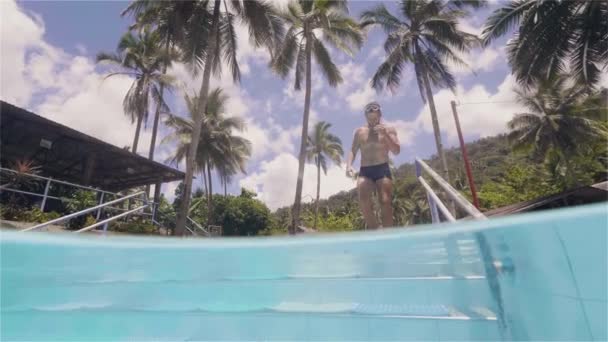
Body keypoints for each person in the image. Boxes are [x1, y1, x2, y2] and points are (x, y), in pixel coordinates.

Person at [346, 101, 400, 229]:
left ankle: (389, 233)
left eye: (375, 117)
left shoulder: (390, 129)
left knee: (385, 201)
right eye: (370, 117)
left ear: (380, 114)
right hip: (365, 170)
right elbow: (353, 150)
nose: (373, 120)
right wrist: (348, 165)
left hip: (382, 168)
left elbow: (396, 151)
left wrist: (385, 134)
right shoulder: (359, 132)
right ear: (365, 116)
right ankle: (375, 231)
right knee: (363, 199)